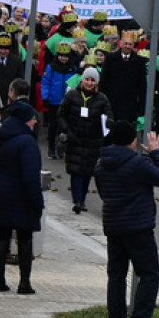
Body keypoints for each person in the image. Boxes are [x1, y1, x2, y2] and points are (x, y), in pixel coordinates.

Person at [94, 121, 159, 318]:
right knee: (149, 273)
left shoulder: (101, 163)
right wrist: (156, 153)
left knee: (116, 275)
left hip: (113, 225)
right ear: (132, 141)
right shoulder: (137, 163)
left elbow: (103, 193)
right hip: (137, 226)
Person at [0, 101, 44, 293]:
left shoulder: (3, 137)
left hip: (1, 193)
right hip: (21, 197)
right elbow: (30, 177)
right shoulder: (27, 142)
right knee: (25, 238)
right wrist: (37, 202)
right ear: (26, 121)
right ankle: (24, 282)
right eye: (32, 118)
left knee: (2, 236)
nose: (35, 122)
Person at [57, 67, 113, 212]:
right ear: (82, 80)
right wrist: (66, 130)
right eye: (87, 79)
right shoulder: (72, 96)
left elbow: (109, 116)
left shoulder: (102, 99)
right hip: (74, 139)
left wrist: (108, 124)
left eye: (92, 80)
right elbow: (61, 114)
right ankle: (77, 201)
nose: (89, 83)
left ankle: (82, 200)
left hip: (93, 142)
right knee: (76, 171)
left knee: (87, 172)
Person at [99, 31, 148, 124]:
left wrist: (141, 108)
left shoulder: (139, 62)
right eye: (126, 43)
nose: (128, 46)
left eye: (130, 44)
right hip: (112, 103)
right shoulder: (110, 59)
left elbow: (142, 86)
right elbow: (103, 82)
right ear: (120, 43)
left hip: (130, 104)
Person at [41, 41, 79, 158]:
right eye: (61, 56)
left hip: (67, 101)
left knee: (66, 126)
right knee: (53, 125)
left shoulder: (72, 68)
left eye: (66, 56)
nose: (63, 58)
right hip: (54, 101)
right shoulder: (51, 67)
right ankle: (51, 148)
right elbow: (46, 82)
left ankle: (62, 147)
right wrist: (45, 96)